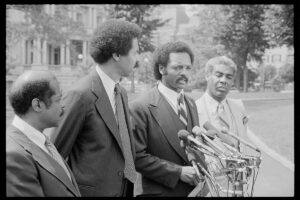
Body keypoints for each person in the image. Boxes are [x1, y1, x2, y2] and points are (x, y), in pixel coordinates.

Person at [53, 19, 142, 197]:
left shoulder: (121, 92)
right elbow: (54, 155)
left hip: (125, 189)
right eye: (135, 52)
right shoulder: (80, 95)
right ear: (117, 55)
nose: (138, 59)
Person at [129, 41, 208, 196]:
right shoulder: (139, 107)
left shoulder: (191, 103)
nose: (184, 73)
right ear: (161, 68)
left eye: (187, 68)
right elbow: (135, 157)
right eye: (178, 67)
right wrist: (177, 172)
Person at [6, 71, 81, 197]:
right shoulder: (14, 155)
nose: (63, 106)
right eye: (58, 100)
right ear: (38, 105)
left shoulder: (40, 139)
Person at [195, 56, 250, 196]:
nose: (223, 80)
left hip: (238, 186)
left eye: (229, 77)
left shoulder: (239, 107)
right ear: (208, 75)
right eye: (218, 75)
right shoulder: (194, 109)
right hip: (208, 187)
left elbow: (241, 142)